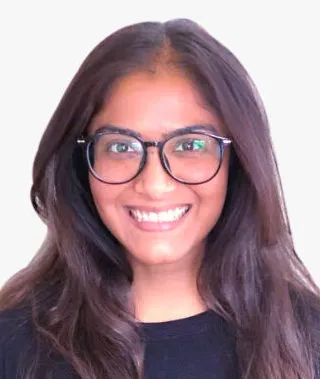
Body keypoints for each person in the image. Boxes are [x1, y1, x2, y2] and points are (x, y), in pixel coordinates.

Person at [0, 18, 319, 379]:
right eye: (120, 146)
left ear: (238, 161)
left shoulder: (310, 339)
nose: (154, 184)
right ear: (82, 164)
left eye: (190, 145)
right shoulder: (14, 346)